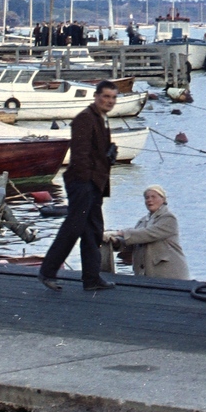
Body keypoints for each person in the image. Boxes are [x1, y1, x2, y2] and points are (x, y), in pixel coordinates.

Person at [39, 80, 119, 291]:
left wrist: (109, 154)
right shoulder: (85, 119)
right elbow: (80, 155)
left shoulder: (101, 118)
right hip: (83, 183)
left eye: (113, 97)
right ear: (96, 96)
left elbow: (95, 152)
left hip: (94, 183)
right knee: (73, 227)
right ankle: (47, 272)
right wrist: (87, 184)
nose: (110, 101)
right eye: (106, 96)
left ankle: (91, 279)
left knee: (93, 230)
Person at [107, 186, 189, 280]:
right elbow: (134, 242)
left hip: (170, 275)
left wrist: (120, 233)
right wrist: (115, 241)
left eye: (153, 197)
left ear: (163, 199)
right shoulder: (142, 221)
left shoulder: (169, 218)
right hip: (146, 276)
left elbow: (147, 234)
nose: (149, 200)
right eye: (147, 197)